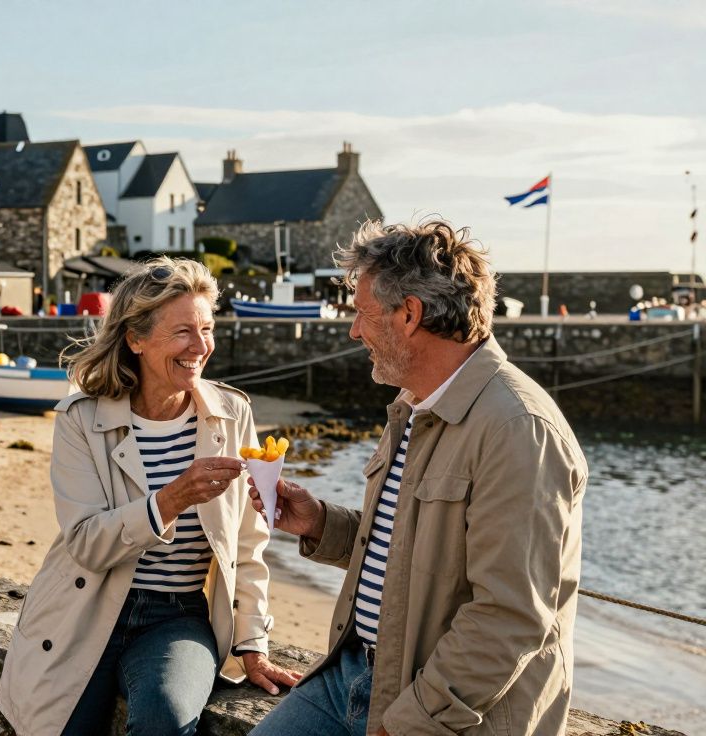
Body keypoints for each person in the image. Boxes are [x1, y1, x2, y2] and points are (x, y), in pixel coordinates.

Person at [248, 220, 587, 736]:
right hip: (354, 676)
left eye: (362, 315)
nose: (353, 332)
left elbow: (509, 618)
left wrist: (409, 722)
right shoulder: (414, 403)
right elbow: (415, 549)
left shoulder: (518, 431)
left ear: (409, 314)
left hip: (444, 713)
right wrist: (321, 524)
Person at [0, 258, 300, 735]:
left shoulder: (231, 413)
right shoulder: (81, 420)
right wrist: (172, 498)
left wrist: (252, 642)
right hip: (84, 606)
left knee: (167, 718)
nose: (201, 347)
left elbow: (247, 542)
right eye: (183, 332)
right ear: (136, 339)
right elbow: (85, 543)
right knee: (58, 725)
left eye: (207, 328)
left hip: (175, 614)